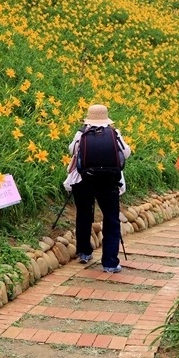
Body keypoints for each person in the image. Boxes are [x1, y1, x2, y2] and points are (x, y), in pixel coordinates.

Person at [64, 105, 131, 273]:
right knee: (111, 219)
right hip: (108, 181)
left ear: (88, 118)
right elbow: (127, 152)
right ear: (106, 119)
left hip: (83, 179)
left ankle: (84, 252)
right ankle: (110, 263)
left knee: (84, 214)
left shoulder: (81, 133)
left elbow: (72, 150)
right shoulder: (114, 133)